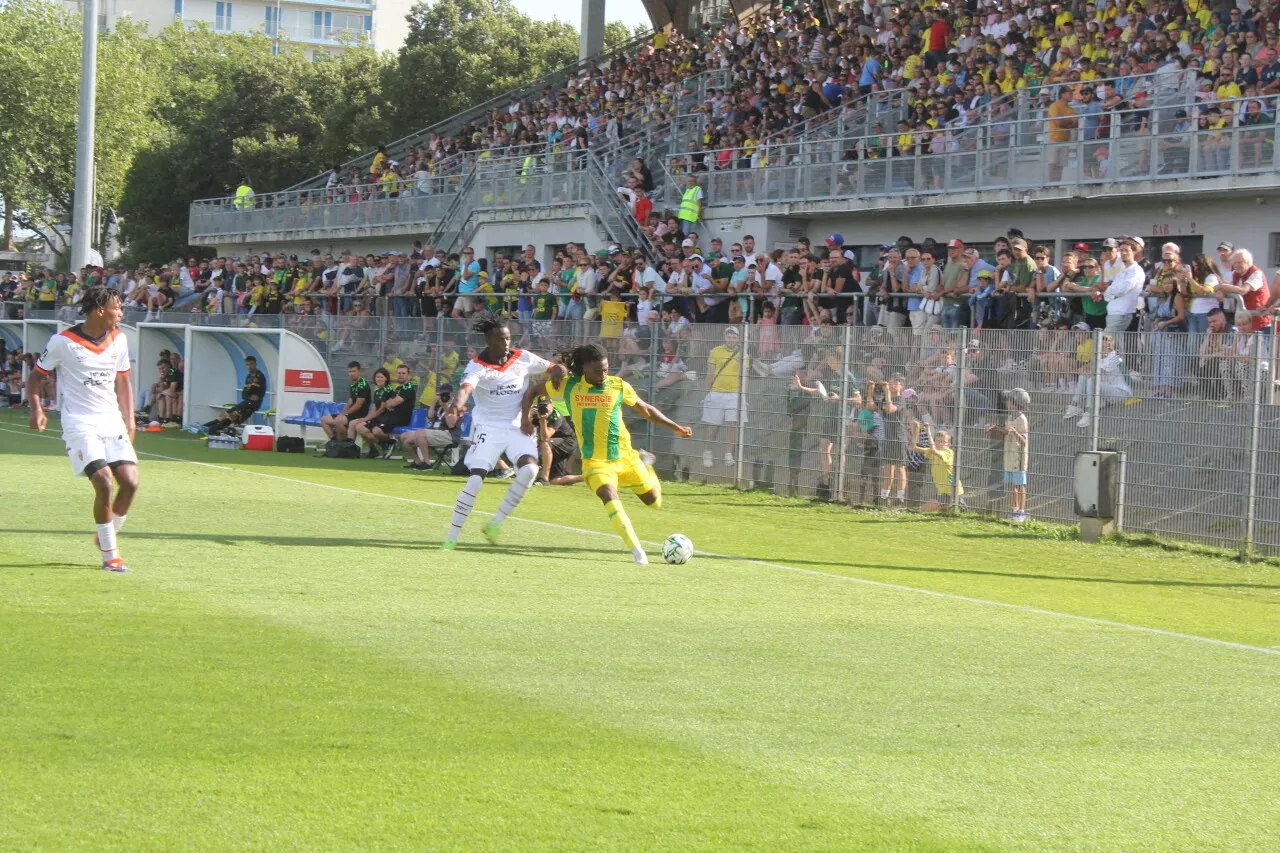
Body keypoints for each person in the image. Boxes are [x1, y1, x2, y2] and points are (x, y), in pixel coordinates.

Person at [541, 343, 693, 565]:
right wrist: (555, 369)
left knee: (654, 502)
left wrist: (675, 427)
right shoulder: (570, 386)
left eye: (605, 369)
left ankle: (647, 464)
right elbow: (536, 390)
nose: (603, 374)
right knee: (608, 494)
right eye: (597, 370)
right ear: (584, 369)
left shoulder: (618, 385)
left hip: (626, 458)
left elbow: (646, 409)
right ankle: (637, 552)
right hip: (595, 462)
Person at [27, 286, 139, 572]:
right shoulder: (63, 341)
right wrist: (37, 409)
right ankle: (110, 554)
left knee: (130, 482)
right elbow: (36, 379)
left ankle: (105, 536)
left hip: (111, 419)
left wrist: (130, 418)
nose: (121, 313)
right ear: (100, 310)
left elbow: (123, 381)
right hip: (79, 422)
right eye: (118, 307)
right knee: (103, 482)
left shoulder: (119, 339)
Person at [442, 313, 564, 549]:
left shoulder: (522, 357)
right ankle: (451, 538)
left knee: (529, 470)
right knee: (476, 480)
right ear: (489, 341)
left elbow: (551, 368)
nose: (506, 343)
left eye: (507, 338)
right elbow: (467, 389)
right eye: (500, 339)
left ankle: (495, 523)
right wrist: (458, 404)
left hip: (517, 427)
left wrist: (557, 368)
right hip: (488, 427)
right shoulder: (477, 366)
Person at [700, 326, 748, 468]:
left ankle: (729, 454)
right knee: (713, 426)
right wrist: (707, 392)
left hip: (735, 394)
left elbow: (745, 376)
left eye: (734, 337)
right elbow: (710, 373)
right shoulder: (715, 352)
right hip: (717, 393)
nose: (731, 340)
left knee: (732, 425)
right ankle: (707, 451)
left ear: (738, 338)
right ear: (725, 337)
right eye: (729, 337)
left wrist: (744, 395)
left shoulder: (744, 354)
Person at [986, 388, 1030, 522]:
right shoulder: (1010, 416)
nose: (1006, 402)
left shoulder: (1022, 419)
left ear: (1016, 402)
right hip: (1009, 455)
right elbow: (1006, 432)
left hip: (1019, 457)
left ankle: (1021, 512)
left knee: (1020, 485)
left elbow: (1023, 440)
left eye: (1009, 400)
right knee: (1011, 485)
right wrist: (996, 428)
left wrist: (1015, 432)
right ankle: (1014, 509)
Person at [356, 363, 416, 457]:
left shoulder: (408, 388)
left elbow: (392, 403)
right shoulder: (398, 388)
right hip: (388, 416)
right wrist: (390, 404)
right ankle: (384, 444)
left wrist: (390, 403)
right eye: (399, 373)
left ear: (408, 375)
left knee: (376, 431)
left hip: (400, 418)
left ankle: (390, 441)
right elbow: (388, 404)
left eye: (403, 373)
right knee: (360, 427)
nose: (400, 375)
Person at [200, 356, 266, 435]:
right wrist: (247, 394)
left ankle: (213, 429)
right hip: (246, 401)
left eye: (251, 364)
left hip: (253, 404)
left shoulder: (259, 376)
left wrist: (248, 394)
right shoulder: (249, 376)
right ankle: (204, 427)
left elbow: (252, 392)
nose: (249, 367)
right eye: (247, 364)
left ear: (255, 364)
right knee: (226, 413)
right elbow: (245, 394)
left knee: (233, 416)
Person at [322, 361, 370, 441]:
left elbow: (358, 405)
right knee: (324, 419)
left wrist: (345, 414)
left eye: (354, 371)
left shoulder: (363, 385)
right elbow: (350, 401)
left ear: (359, 371)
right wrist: (342, 413)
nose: (351, 374)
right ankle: (334, 442)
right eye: (350, 371)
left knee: (338, 421)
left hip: (359, 414)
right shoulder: (353, 384)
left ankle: (345, 443)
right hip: (350, 414)